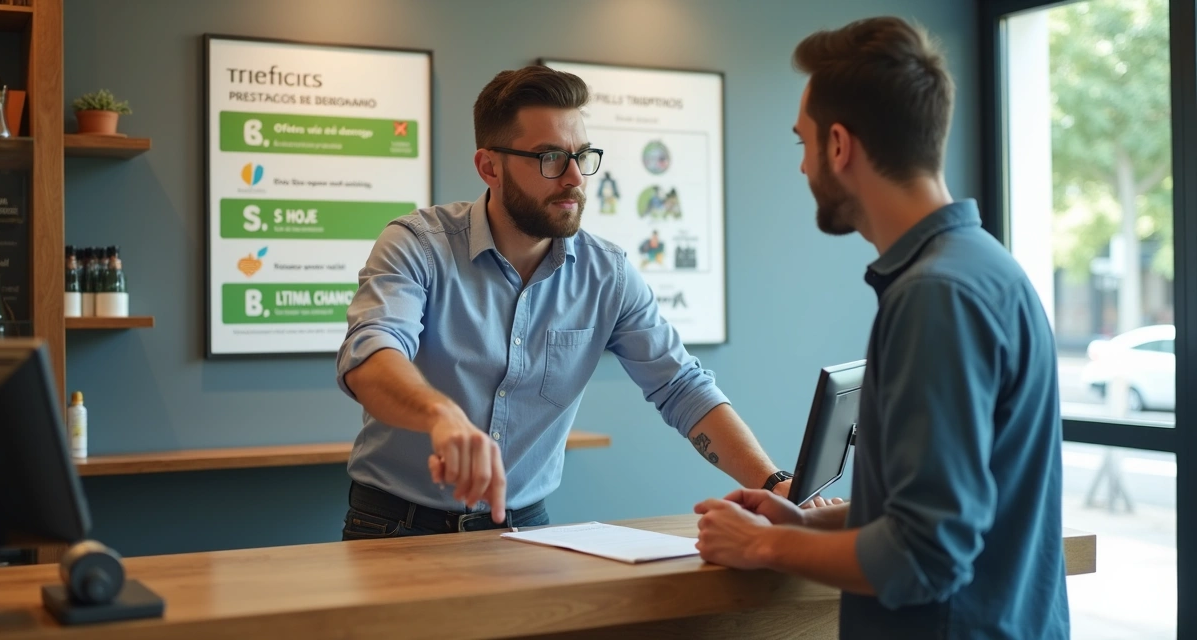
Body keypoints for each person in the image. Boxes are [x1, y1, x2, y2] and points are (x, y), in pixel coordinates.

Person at [694, 16, 1070, 640]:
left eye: (803, 144)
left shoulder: (935, 297)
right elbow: (940, 509)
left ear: (839, 146)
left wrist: (763, 548)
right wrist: (800, 523)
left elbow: (926, 554)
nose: (803, 168)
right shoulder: (985, 268)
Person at [336, 65, 795, 539]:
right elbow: (370, 353)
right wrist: (440, 414)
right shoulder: (417, 245)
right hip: (394, 524)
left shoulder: (607, 274)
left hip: (522, 526)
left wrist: (773, 482)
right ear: (489, 167)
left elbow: (680, 386)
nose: (575, 177)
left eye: (582, 155)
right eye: (550, 157)